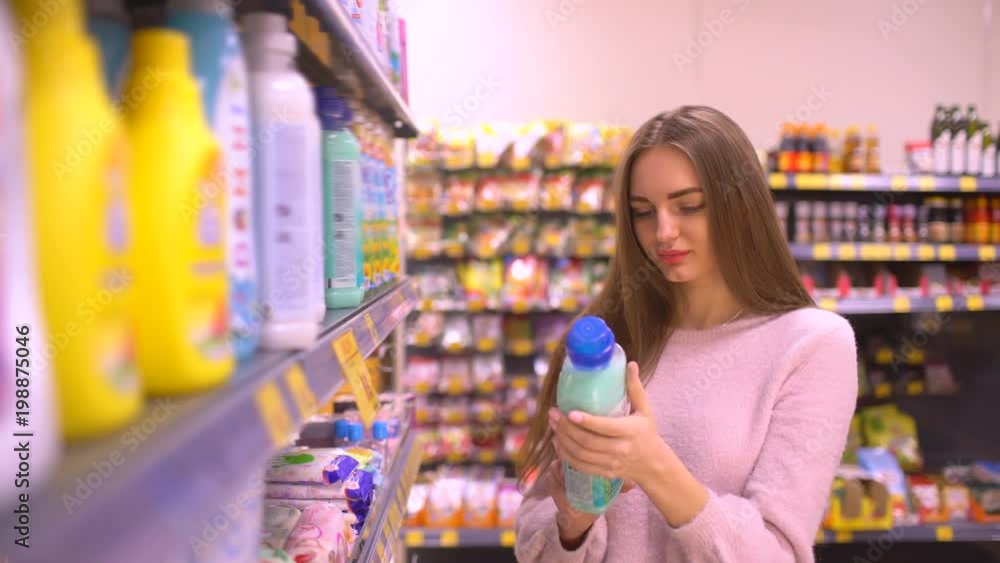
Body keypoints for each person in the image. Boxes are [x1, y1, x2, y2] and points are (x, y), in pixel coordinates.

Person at [514, 106, 858, 563]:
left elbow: (777, 554)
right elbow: (535, 541)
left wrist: (652, 464)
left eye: (689, 206)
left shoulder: (812, 345)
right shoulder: (608, 338)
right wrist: (574, 519)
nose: (663, 232)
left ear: (741, 204)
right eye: (642, 212)